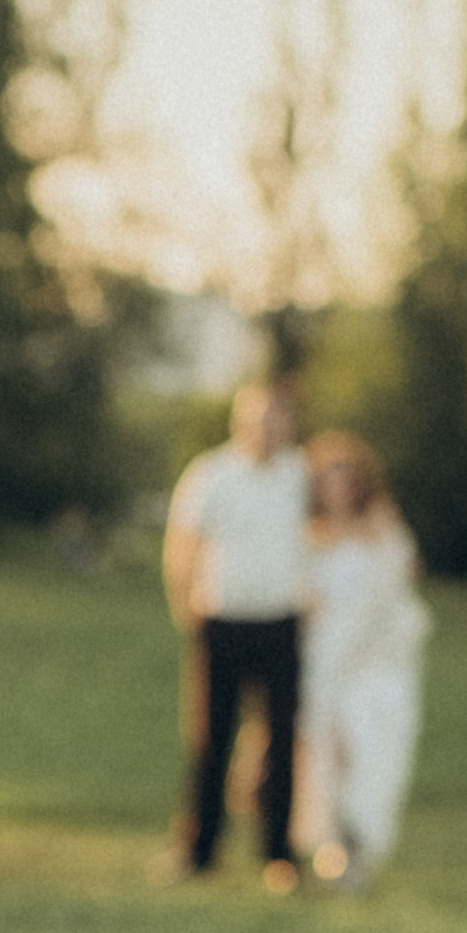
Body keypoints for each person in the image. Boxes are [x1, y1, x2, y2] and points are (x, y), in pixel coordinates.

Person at [162, 375, 315, 886]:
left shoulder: (301, 475)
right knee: (211, 741)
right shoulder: (211, 475)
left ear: (289, 422)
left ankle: (278, 853)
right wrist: (187, 609)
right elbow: (182, 546)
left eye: (276, 418)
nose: (266, 428)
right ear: (239, 420)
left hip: (281, 623)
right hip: (222, 622)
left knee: (281, 740)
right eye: (257, 418)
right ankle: (199, 850)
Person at [301, 428, 428, 889]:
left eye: (346, 475)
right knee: (326, 756)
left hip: (377, 664)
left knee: (373, 753)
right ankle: (332, 849)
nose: (337, 486)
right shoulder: (305, 537)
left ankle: (361, 851)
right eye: (327, 476)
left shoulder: (384, 531)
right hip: (324, 662)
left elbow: (399, 589)